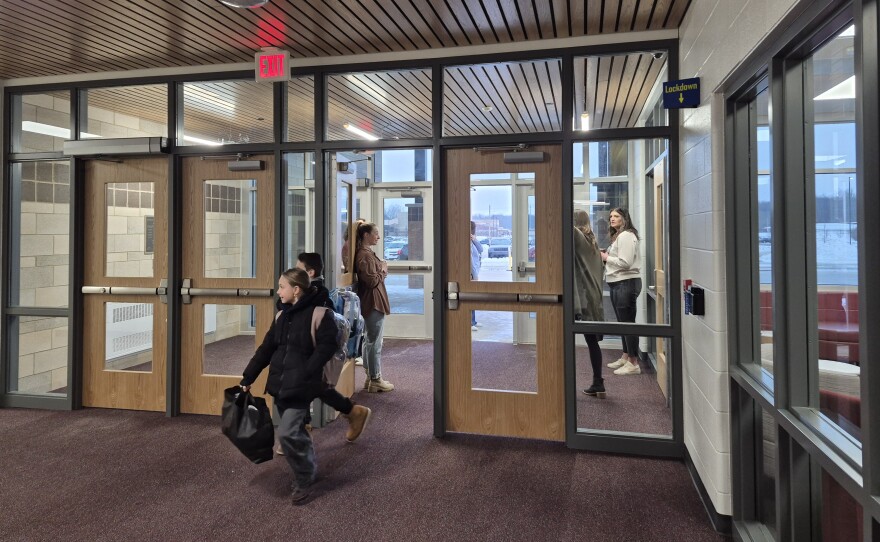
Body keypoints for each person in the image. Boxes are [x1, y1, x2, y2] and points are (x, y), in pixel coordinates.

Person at [239, 268, 337, 505]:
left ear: (296, 290)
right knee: (296, 432)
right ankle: (308, 463)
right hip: (280, 385)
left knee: (286, 432)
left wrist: (306, 372)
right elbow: (266, 349)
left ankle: (304, 477)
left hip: (301, 387)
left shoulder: (321, 314)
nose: (279, 290)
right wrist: (248, 377)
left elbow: (327, 347)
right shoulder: (281, 317)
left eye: (282, 286)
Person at [296, 252, 371, 443]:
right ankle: (353, 412)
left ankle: (300, 431)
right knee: (312, 386)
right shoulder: (309, 292)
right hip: (304, 350)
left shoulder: (316, 296)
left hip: (310, 351)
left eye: (298, 269)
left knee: (308, 385)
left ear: (310, 272)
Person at [354, 222, 394, 392]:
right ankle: (375, 378)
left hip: (372, 300)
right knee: (374, 341)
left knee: (369, 339)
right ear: (365, 235)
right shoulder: (365, 255)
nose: (378, 237)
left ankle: (371, 377)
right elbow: (371, 281)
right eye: (375, 233)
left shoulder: (366, 254)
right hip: (373, 301)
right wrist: (383, 270)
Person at [602, 207, 643, 376]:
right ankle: (626, 356)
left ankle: (634, 363)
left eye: (616, 216)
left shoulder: (626, 235)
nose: (612, 219)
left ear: (624, 218)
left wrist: (605, 257)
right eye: (611, 216)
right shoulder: (619, 236)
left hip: (625, 283)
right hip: (618, 283)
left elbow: (625, 263)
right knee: (622, 323)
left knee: (627, 323)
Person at [573, 210, 606, 398]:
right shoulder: (592, 241)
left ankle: (598, 382)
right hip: (592, 297)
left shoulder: (578, 237)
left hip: (584, 298)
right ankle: (598, 382)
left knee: (590, 341)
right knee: (592, 342)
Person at [469, 220, 482, 331]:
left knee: (472, 297)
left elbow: (481, 249)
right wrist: (475, 275)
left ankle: (473, 321)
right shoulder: (466, 243)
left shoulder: (472, 241)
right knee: (470, 297)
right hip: (471, 274)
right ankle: (470, 322)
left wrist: (475, 240)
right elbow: (470, 262)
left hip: (474, 272)